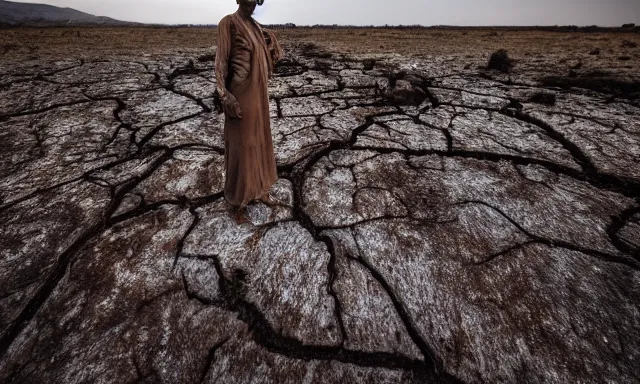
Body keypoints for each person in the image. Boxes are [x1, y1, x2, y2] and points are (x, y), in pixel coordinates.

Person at [215, 0, 283, 224]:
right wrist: (225, 96)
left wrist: (269, 43)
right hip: (241, 97)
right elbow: (221, 62)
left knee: (260, 142)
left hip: (258, 95)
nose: (252, 2)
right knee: (241, 147)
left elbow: (269, 54)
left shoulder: (255, 26)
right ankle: (237, 203)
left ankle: (261, 190)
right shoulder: (228, 23)